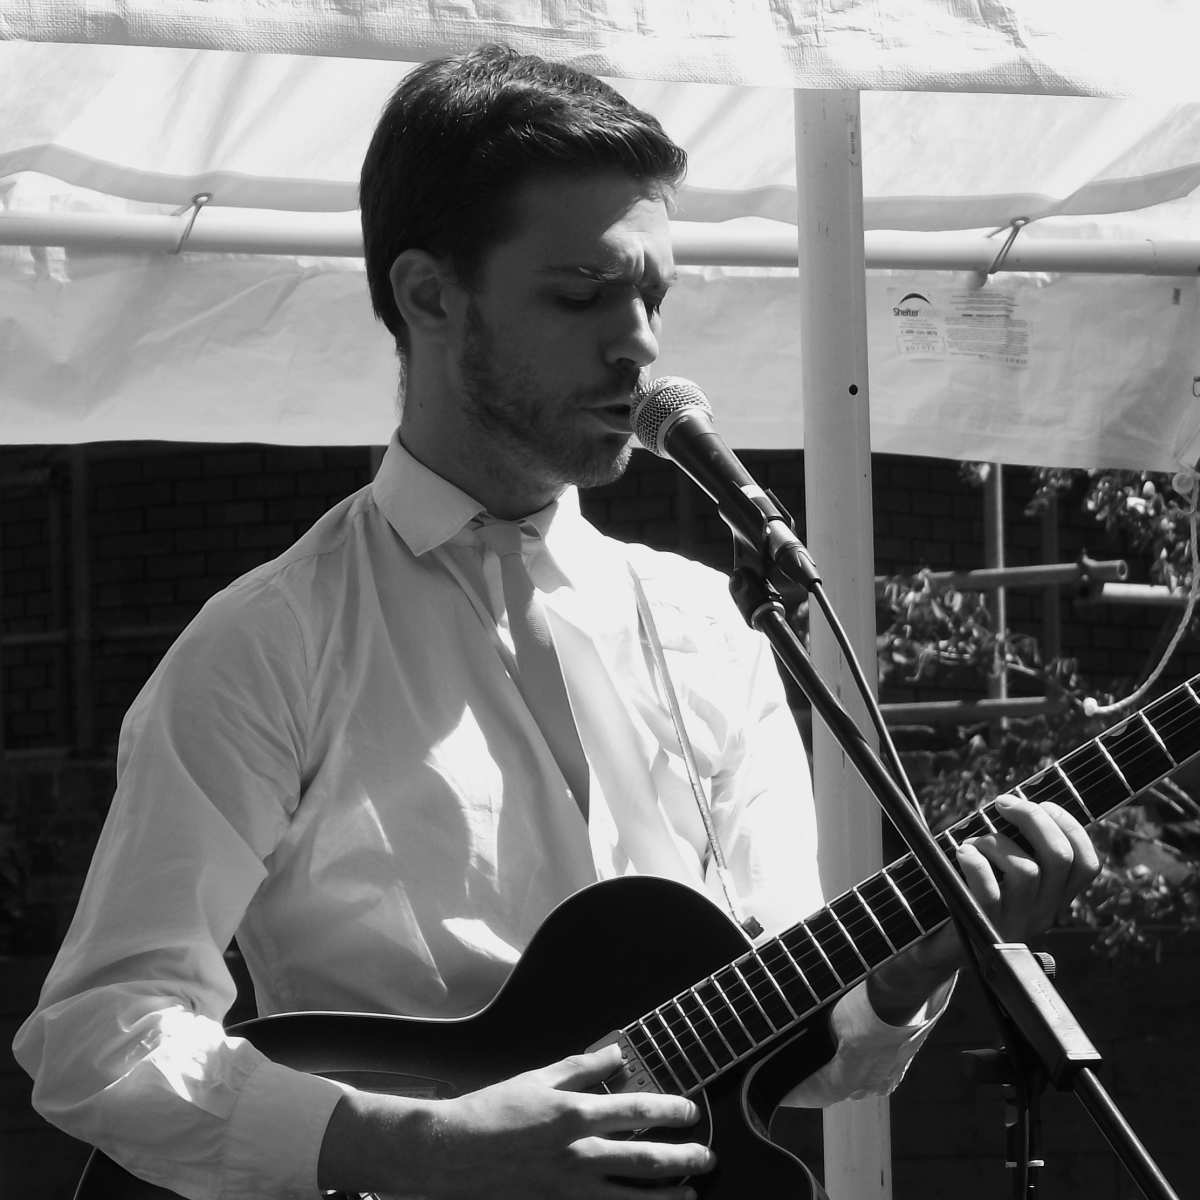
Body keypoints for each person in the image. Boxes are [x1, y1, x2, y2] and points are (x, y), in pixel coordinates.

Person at [14, 44, 1099, 1200]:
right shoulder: (271, 641)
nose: (638, 342)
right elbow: (100, 1035)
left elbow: (812, 1046)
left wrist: (907, 969)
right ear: (430, 294)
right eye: (582, 294)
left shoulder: (709, 626)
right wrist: (427, 1145)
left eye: (653, 297)